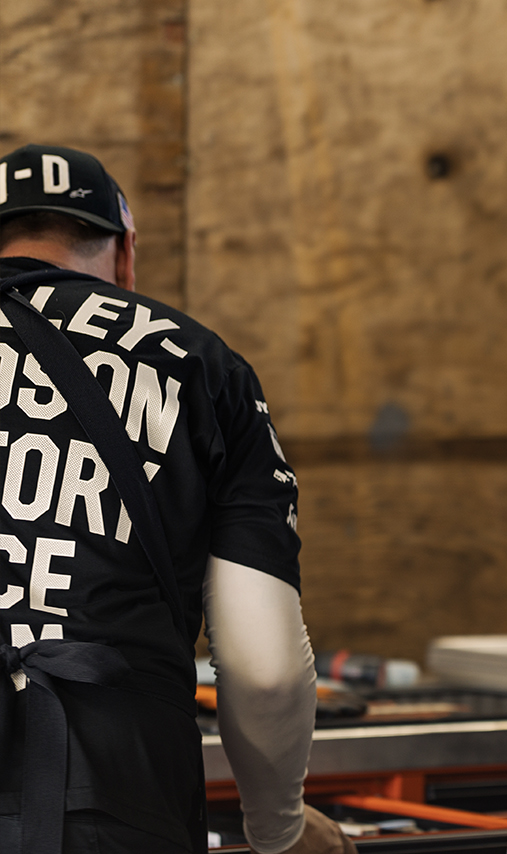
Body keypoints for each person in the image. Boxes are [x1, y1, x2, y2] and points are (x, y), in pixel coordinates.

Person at [0, 145, 353, 854]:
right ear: (126, 252)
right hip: (115, 799)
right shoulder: (201, 366)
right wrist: (277, 829)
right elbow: (265, 662)